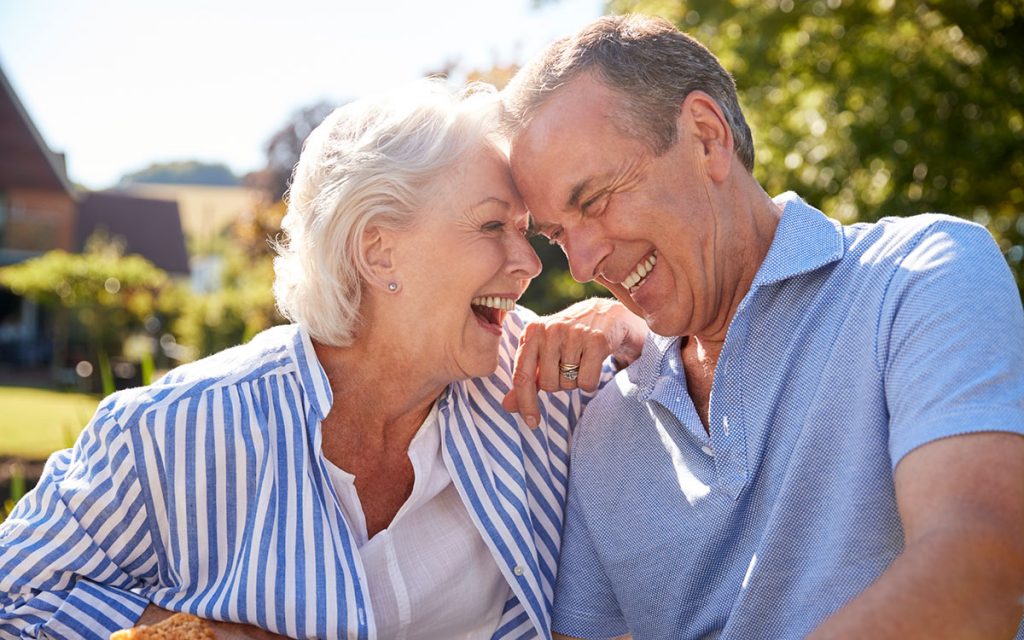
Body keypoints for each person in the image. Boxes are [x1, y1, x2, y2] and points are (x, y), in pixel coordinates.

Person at [0, 81, 647, 639]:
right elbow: (16, 598)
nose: (531, 263)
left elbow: (697, 375)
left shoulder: (542, 384)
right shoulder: (173, 432)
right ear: (378, 251)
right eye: (491, 226)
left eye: (526, 230)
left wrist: (631, 325)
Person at [501, 14, 1024, 640]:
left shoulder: (916, 277)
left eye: (594, 201)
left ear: (705, 137)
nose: (581, 264)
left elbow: (977, 578)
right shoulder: (604, 427)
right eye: (558, 235)